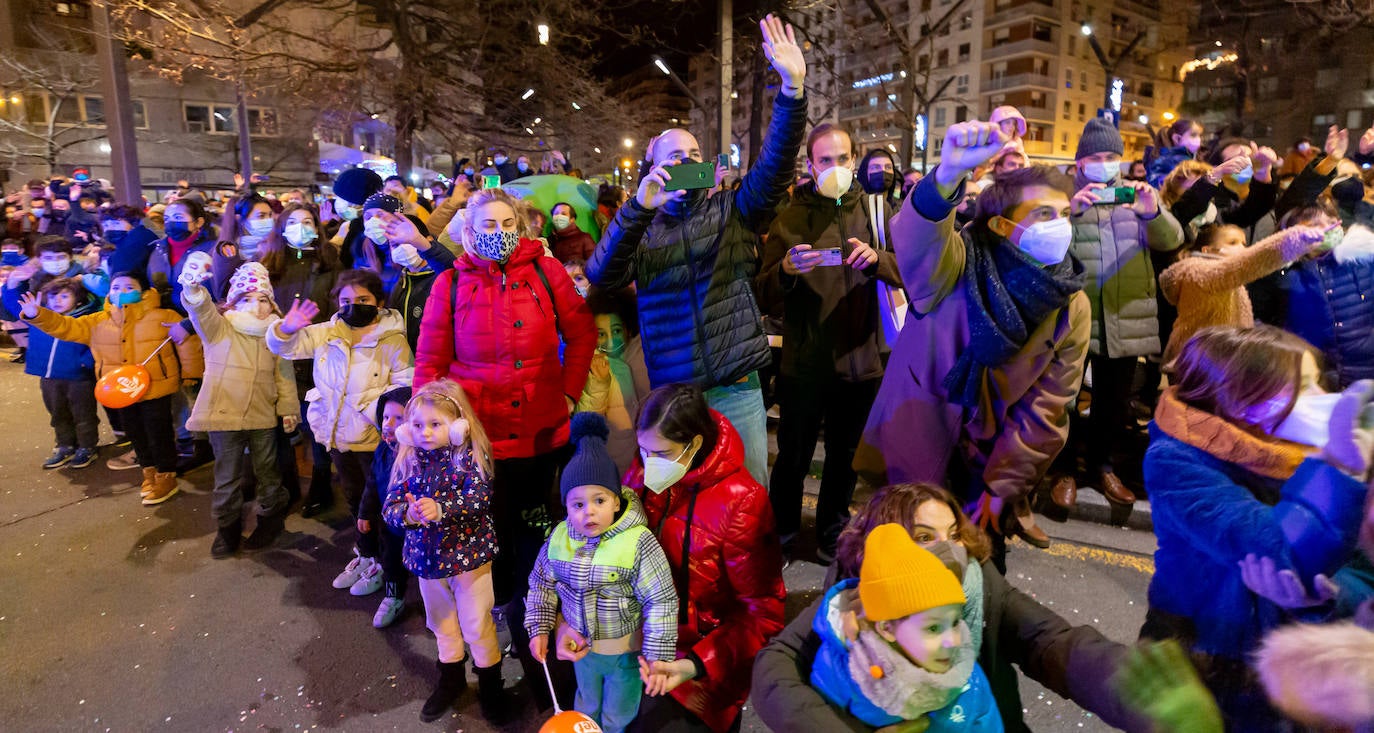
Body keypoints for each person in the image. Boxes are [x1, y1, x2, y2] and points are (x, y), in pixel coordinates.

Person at [587, 14, 807, 486]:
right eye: (673, 158)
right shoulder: (638, 225)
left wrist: (792, 92)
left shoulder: (731, 210)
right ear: (653, 169)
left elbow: (773, 170)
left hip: (737, 388)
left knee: (747, 501)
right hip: (675, 396)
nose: (685, 163)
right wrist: (637, 209)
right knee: (681, 498)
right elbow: (603, 276)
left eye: (692, 156)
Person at [855, 121, 1090, 559]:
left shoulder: (1070, 303)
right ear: (1002, 226)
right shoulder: (957, 265)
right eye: (1043, 214)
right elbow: (918, 243)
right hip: (918, 442)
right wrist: (946, 176)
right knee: (898, 570)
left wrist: (1002, 487)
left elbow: (1048, 407)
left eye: (1063, 214)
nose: (1059, 226)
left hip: (989, 467)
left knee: (976, 574)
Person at [751, 483, 1150, 732]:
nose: (949, 549)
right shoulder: (850, 602)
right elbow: (775, 668)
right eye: (925, 536)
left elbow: (1053, 643)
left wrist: (1137, 692)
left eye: (954, 534)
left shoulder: (981, 586)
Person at [411, 186, 595, 711]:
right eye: (484, 225)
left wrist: (567, 391)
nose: (495, 233)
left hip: (540, 440)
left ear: (519, 225)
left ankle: (540, 668)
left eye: (503, 222)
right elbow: (430, 362)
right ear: (468, 233)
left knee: (533, 561)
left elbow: (580, 333)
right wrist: (433, 431)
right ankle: (472, 669)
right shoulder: (449, 283)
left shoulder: (547, 272)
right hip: (476, 446)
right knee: (471, 563)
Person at [1139, 325, 1373, 729]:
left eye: (1317, 381)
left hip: (1285, 675)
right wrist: (1337, 467)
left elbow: (1362, 572)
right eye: (1302, 386)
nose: (1321, 398)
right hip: (1205, 667)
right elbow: (1276, 550)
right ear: (1242, 401)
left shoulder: (1301, 455)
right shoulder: (1176, 461)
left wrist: (1325, 601)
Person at [554, 383, 783, 733]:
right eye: (643, 452)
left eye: (661, 454)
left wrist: (693, 665)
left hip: (698, 662)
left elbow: (763, 616)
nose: (649, 465)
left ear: (694, 445)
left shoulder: (743, 504)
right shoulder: (644, 474)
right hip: (631, 639)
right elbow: (598, 549)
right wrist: (566, 619)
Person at [757, 122, 902, 564]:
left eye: (842, 159)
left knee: (844, 459)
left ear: (854, 160)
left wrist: (879, 260)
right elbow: (762, 291)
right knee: (794, 457)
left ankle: (832, 532)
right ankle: (781, 531)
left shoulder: (880, 213)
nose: (835, 167)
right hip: (805, 362)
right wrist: (784, 270)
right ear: (811, 164)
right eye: (825, 160)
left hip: (861, 360)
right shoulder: (791, 217)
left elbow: (910, 269)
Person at [525, 412, 678, 733]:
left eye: (599, 500)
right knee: (586, 704)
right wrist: (539, 628)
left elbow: (661, 600)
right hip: (583, 651)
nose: (588, 511)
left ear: (616, 501)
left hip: (626, 654)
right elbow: (541, 584)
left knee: (618, 712)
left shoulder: (637, 541)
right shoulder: (559, 539)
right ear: (566, 507)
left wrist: (657, 655)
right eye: (577, 504)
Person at [266, 268, 414, 595]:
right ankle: (366, 552)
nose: (353, 306)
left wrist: (370, 409)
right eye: (346, 300)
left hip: (374, 437)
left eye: (363, 300)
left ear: (378, 301)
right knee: (352, 497)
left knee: (375, 501)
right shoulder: (328, 331)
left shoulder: (393, 338)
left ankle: (384, 562)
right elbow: (286, 347)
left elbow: (404, 385)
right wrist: (285, 329)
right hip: (336, 433)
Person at [1063, 117, 1184, 509]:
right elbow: (1041, 249)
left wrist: (1153, 213)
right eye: (1096, 157)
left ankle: (1102, 467)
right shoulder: (1061, 196)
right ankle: (1064, 468)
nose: (1104, 163)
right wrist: (1069, 214)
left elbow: (1172, 241)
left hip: (1125, 315)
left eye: (1111, 156)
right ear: (1080, 163)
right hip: (1072, 320)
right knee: (1064, 398)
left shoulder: (1137, 196)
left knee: (1113, 403)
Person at [381, 380, 509, 724]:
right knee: (441, 623)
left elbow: (479, 498)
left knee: (476, 623)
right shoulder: (408, 460)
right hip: (427, 561)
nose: (425, 433)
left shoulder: (468, 457)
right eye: (418, 425)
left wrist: (441, 508)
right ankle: (451, 679)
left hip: (470, 559)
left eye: (435, 424)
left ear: (458, 425)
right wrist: (407, 514)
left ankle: (491, 686)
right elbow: (390, 506)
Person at [20, 271, 202, 503]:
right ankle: (149, 472)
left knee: (160, 433)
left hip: (156, 387)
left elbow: (187, 343)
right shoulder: (98, 320)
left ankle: (166, 476)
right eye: (116, 288)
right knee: (135, 434)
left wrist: (191, 374)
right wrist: (38, 315)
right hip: (120, 390)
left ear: (144, 292)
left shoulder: (163, 316)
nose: (120, 292)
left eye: (128, 287)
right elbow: (65, 327)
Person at [809, 523, 1002, 730]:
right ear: (887, 628)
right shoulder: (840, 673)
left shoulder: (968, 674)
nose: (954, 641)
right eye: (934, 629)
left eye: (955, 622)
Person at [181, 261, 299, 557]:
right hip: (225, 417)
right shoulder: (220, 329)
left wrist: (287, 409)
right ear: (233, 301)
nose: (256, 306)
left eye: (262, 299)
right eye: (246, 298)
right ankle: (227, 528)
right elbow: (202, 311)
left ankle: (271, 521)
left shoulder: (276, 333)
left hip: (262, 415)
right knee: (227, 477)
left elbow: (283, 375)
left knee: (268, 472)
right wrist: (193, 288)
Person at [260, 203, 342, 516]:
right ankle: (285, 487)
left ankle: (321, 483)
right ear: (281, 227)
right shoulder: (269, 262)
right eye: (293, 221)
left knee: (316, 423)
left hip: (316, 353)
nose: (300, 227)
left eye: (307, 221)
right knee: (281, 425)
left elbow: (337, 301)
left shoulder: (329, 260)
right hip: (277, 353)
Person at [1158, 222, 1329, 369]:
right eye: (1233, 242)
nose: (1242, 248)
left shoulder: (1228, 279)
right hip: (1200, 363)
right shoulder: (1199, 271)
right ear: (1208, 250)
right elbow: (1250, 262)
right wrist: (1293, 240)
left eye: (1244, 243)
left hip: (1219, 360)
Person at [1250, 204, 1374, 390]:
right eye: (1315, 224)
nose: (1328, 227)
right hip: (1314, 381)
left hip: (1367, 376)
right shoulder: (1282, 275)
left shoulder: (1362, 261)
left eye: (1332, 222)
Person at [9, 277, 100, 469]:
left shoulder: (86, 319)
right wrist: (13, 285)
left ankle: (87, 447)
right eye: (53, 296)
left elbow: (96, 346)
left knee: (83, 415)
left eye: (65, 296)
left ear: (78, 299)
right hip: (49, 377)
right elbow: (13, 305)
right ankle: (65, 446)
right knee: (58, 414)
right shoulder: (41, 318)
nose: (57, 301)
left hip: (79, 378)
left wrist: (85, 364)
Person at [578, 287, 651, 473]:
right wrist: (599, 383)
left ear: (627, 331)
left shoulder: (639, 357)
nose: (610, 342)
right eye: (601, 334)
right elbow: (586, 422)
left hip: (640, 465)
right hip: (612, 469)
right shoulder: (591, 368)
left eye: (616, 331)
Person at [360, 386, 411, 628]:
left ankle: (444, 604)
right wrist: (365, 512)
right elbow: (372, 482)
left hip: (417, 527)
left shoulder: (420, 454)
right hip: (390, 526)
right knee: (392, 562)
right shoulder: (382, 450)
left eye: (398, 418)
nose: (389, 423)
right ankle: (394, 596)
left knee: (430, 569)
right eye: (386, 417)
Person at [99, 205, 159, 282]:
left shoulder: (134, 242)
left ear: (133, 224)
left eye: (116, 224)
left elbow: (120, 280)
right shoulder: (144, 236)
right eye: (105, 225)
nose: (109, 229)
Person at [1145, 118, 1203, 188]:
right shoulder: (1164, 163)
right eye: (1193, 135)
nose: (1199, 139)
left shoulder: (1190, 158)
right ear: (1177, 138)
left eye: (1200, 135)